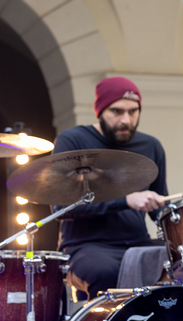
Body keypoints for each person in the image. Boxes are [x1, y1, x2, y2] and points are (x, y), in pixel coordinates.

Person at [52, 77, 167, 298]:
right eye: (117, 111)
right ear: (100, 111)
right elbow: (61, 206)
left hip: (138, 244)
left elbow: (159, 207)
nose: (126, 120)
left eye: (133, 111)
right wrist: (126, 200)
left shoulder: (151, 146)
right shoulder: (73, 141)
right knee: (106, 273)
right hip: (86, 246)